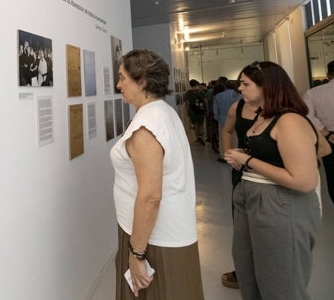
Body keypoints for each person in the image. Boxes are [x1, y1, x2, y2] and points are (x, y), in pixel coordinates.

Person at [224, 61, 324, 300]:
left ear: (266, 86)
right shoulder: (263, 116)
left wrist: (248, 161)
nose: (240, 89)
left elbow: (304, 181)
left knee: (280, 283)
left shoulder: (290, 120)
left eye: (246, 84)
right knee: (250, 273)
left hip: (279, 203)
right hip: (252, 197)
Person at [112, 49, 204, 299]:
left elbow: (151, 196)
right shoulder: (163, 112)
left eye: (122, 78)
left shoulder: (146, 128)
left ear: (141, 81)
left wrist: (137, 253)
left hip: (154, 238)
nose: (118, 84)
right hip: (163, 231)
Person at [218, 73, 263, 290]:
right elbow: (226, 130)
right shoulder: (237, 107)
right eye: (240, 84)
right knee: (241, 221)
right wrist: (229, 154)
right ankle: (245, 270)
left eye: (245, 84)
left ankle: (266, 272)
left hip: (267, 173)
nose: (240, 89)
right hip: (242, 170)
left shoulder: (280, 111)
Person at [304, 59, 334, 231]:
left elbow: (307, 116)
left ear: (328, 75)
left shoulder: (313, 93)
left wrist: (328, 134)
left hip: (332, 142)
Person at [213, 79, 241, 163]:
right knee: (235, 138)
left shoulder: (218, 96)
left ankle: (224, 156)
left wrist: (218, 118)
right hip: (236, 120)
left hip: (222, 119)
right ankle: (235, 155)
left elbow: (215, 110)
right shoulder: (239, 96)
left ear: (225, 86)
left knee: (222, 138)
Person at [185, 79, 207, 144]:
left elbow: (188, 103)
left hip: (192, 110)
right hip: (201, 109)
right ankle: (202, 137)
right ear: (197, 84)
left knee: (195, 124)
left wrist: (187, 111)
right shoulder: (201, 92)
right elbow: (205, 101)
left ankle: (197, 138)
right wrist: (206, 109)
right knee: (201, 124)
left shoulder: (188, 93)